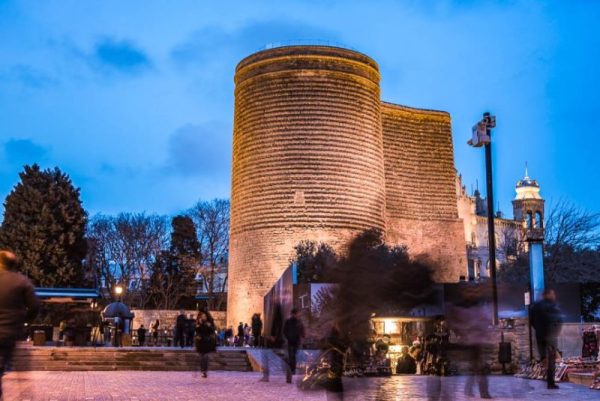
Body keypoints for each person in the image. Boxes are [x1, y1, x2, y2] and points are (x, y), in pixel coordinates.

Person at [0, 251, 40, 399]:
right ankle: (26, 396)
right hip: (11, 331)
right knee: (19, 368)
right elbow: (35, 306)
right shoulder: (22, 281)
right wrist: (25, 321)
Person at [531, 288, 563, 390]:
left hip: (540, 335)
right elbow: (557, 319)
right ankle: (550, 382)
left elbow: (532, 320)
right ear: (548, 294)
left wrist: (538, 330)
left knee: (544, 357)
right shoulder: (552, 305)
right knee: (551, 359)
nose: (554, 296)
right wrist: (555, 331)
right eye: (553, 294)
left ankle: (545, 376)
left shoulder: (536, 306)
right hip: (550, 336)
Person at [283, 308, 305, 376]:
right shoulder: (288, 321)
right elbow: (285, 330)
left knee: (293, 356)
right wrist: (288, 337)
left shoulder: (298, 321)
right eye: (295, 314)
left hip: (296, 341)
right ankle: (292, 369)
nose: (295, 315)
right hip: (290, 341)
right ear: (292, 314)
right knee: (291, 356)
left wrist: (302, 337)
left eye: (296, 314)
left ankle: (293, 370)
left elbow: (302, 329)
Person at [195, 311, 216, 378]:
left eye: (204, 316)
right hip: (201, 342)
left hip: (207, 342)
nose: (203, 317)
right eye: (202, 316)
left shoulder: (209, 323)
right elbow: (196, 330)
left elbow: (212, 330)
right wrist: (198, 326)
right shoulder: (198, 323)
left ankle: (205, 371)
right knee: (202, 357)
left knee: (206, 357)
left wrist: (209, 326)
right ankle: (202, 371)